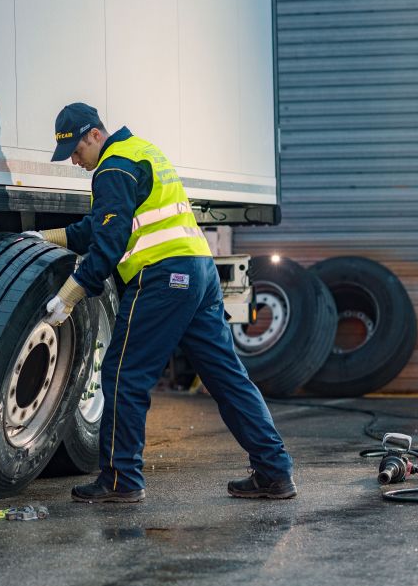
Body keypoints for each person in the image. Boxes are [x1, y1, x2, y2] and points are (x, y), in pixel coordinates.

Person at [25, 102, 296, 503]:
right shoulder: (142, 151)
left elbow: (109, 243)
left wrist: (69, 295)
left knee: (121, 374)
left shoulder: (113, 167)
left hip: (163, 276)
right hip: (198, 272)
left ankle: (121, 480)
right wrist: (46, 238)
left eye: (77, 152)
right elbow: (97, 227)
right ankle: (275, 472)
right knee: (227, 377)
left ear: (94, 135)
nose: (77, 163)